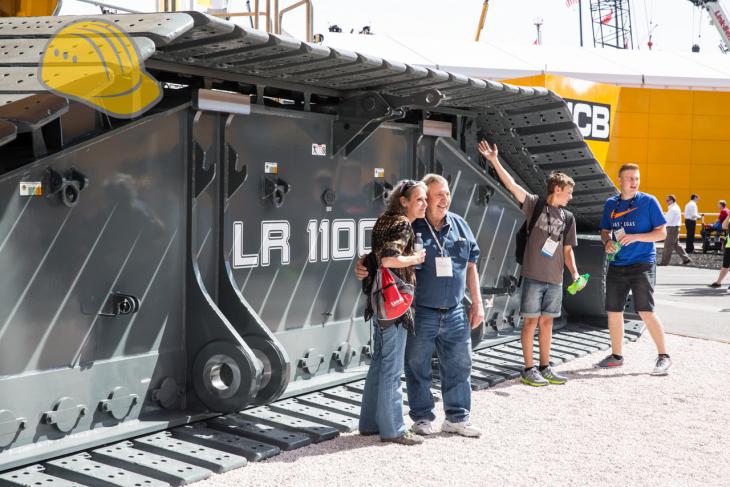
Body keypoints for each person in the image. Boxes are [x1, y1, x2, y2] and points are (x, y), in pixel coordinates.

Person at [356, 174, 484, 439]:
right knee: (415, 368)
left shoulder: (460, 225)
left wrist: (477, 303)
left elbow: (471, 266)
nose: (442, 199)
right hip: (420, 311)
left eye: (446, 194)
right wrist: (364, 263)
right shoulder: (411, 224)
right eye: (435, 195)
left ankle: (457, 418)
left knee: (460, 366)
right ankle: (421, 418)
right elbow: (385, 253)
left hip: (455, 310)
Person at [478, 140, 581, 387]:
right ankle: (528, 368)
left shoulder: (568, 217)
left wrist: (575, 274)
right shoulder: (535, 205)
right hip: (534, 276)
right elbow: (512, 185)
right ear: (557, 189)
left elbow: (567, 250)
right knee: (530, 322)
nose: (571, 196)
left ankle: (545, 367)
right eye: (568, 192)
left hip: (555, 279)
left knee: (547, 323)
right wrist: (494, 160)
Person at [358, 179, 427, 445]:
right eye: (419, 199)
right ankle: (394, 429)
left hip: (378, 300)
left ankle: (369, 424)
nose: (424, 204)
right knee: (391, 366)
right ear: (404, 201)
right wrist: (415, 259)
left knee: (379, 362)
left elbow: (374, 258)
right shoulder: (402, 223)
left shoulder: (383, 220)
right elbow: (388, 259)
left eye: (425, 199)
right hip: (394, 302)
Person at [595, 163, 672, 376]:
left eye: (637, 178)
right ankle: (617, 356)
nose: (634, 182)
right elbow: (605, 231)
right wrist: (606, 242)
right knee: (613, 311)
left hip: (643, 264)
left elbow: (662, 233)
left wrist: (636, 237)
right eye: (630, 178)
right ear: (619, 180)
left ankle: (664, 356)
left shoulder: (649, 202)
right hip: (617, 264)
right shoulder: (611, 204)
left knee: (646, 310)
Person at [660, 194, 691, 266]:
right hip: (675, 228)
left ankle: (664, 262)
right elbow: (669, 218)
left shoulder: (673, 209)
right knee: (676, 245)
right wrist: (665, 215)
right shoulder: (674, 207)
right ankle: (686, 259)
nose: (666, 202)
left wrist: (662, 216)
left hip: (672, 229)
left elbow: (667, 220)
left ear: (672, 201)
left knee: (668, 245)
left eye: (667, 200)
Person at [708, 215, 730, 289]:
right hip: (729, 245)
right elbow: (724, 226)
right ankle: (718, 282)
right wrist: (729, 216)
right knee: (725, 264)